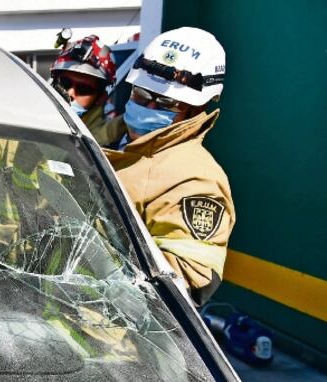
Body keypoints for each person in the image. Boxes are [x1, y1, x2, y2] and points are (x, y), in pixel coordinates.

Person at [105, 27, 234, 304]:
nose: (147, 108)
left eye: (165, 102)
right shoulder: (107, 141)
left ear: (196, 109)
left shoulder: (195, 179)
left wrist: (95, 261)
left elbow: (189, 280)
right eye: (140, 95)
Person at [51, 34, 125, 147]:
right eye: (64, 83)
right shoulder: (29, 118)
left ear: (101, 98)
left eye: (83, 89)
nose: (70, 93)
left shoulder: (104, 139)